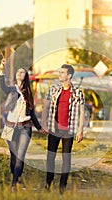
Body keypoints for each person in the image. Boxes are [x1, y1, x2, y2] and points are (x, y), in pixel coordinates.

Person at [0, 59, 48, 193]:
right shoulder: (11, 90)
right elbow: (2, 86)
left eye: (23, 72)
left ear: (25, 77)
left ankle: (14, 184)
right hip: (9, 127)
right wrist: (1, 70)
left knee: (20, 157)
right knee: (13, 158)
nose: (20, 73)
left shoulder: (28, 94)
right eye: (19, 72)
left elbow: (32, 114)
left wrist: (39, 128)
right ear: (15, 76)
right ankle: (16, 177)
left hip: (25, 127)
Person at [42, 64, 85, 195]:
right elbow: (46, 107)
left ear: (69, 75)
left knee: (66, 159)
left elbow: (82, 112)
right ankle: (48, 184)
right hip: (54, 129)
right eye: (59, 72)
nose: (59, 74)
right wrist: (44, 123)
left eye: (62, 72)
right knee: (50, 157)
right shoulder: (53, 89)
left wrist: (80, 130)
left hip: (69, 130)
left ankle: (62, 188)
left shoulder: (78, 92)